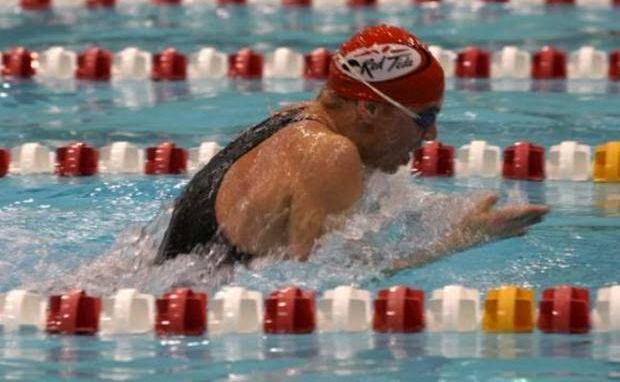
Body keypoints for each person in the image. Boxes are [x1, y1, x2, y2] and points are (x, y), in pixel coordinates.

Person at [155, 24, 549, 270]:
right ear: (370, 108)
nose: (430, 136)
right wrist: (463, 238)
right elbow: (317, 287)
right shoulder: (329, 156)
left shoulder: (295, 120)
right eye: (423, 118)